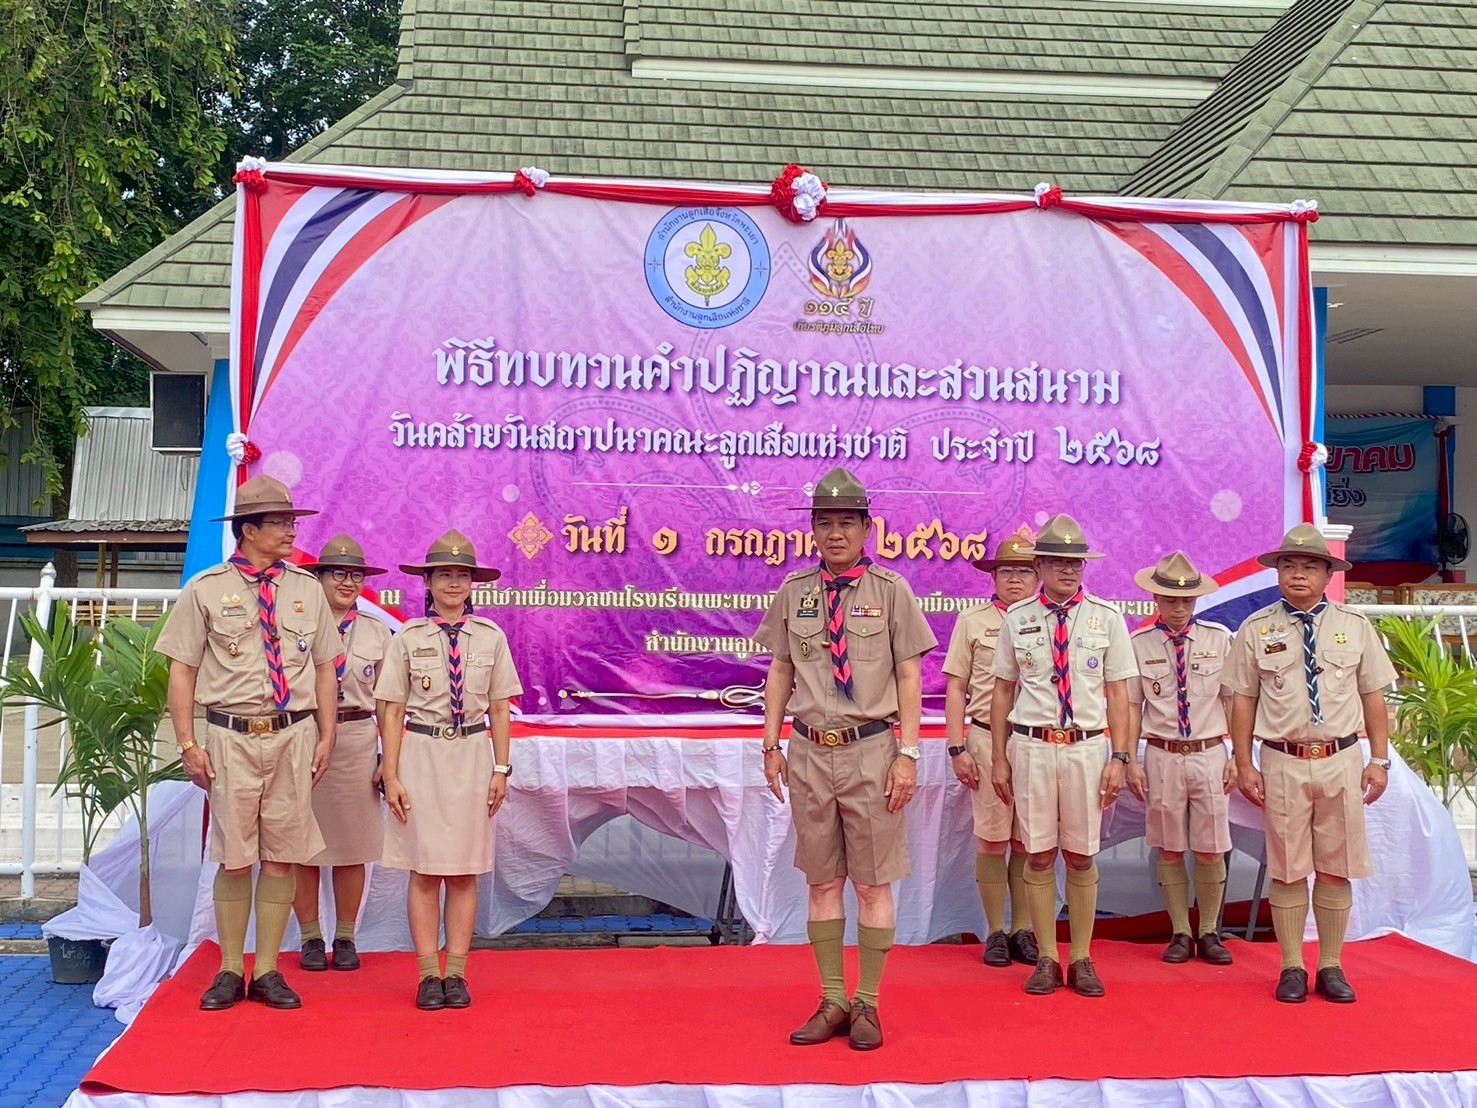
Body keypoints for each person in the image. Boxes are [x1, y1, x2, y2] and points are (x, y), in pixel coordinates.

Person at [754, 467, 937, 1051]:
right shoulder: (794, 591)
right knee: (822, 881)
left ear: (867, 529)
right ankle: (832, 999)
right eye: (825, 523)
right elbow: (780, 670)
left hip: (872, 752)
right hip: (810, 753)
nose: (836, 534)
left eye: (847, 523)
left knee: (873, 885)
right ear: (813, 530)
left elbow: (910, 676)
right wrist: (770, 744)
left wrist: (908, 753)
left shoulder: (891, 591)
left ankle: (868, 1004)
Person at [156, 475, 338, 1011]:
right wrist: (188, 743)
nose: (291, 531)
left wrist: (327, 734)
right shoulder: (206, 589)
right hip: (230, 736)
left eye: (291, 522)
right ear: (248, 530)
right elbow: (182, 670)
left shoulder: (307, 589)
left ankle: (268, 970)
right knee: (235, 858)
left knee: (282, 856)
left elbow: (325, 668)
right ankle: (230, 969)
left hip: (293, 735)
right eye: (279, 523)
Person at [1223, 524, 1396, 1004]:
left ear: (1327, 574)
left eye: (1309, 566)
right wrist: (1243, 762)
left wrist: (1379, 760)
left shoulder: (1354, 626)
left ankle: (1332, 964)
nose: (1298, 574)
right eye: (1289, 565)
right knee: (1287, 868)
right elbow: (1242, 700)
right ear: (1277, 573)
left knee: (1336, 867)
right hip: (1283, 761)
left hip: (1341, 759)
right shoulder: (1255, 629)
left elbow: (1373, 696)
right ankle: (1292, 966)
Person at [989, 513, 1135, 998]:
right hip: (1032, 745)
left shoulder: (1106, 618)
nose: (1068, 570)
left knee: (1080, 853)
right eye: (1057, 562)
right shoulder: (1018, 618)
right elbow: (1002, 691)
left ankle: (1082, 957)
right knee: (1037, 853)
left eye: (1075, 562)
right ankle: (1047, 957)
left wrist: (1120, 757)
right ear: (1039, 567)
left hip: (1086, 747)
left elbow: (1119, 694)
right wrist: (999, 758)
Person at [376, 530, 521, 1012]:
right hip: (421, 754)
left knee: (463, 872)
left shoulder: (491, 637)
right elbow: (392, 710)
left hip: (472, 756)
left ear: (472, 583)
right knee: (423, 871)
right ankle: (426, 975)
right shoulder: (408, 637)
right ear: (428, 582)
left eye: (461, 575)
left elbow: (499, 708)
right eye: (444, 575)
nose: (453, 583)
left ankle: (456, 972)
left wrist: (500, 769)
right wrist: (391, 774)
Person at [1125, 551, 1235, 966]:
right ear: (1156, 598)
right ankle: (1180, 932)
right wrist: (1129, 760)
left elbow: (1235, 700)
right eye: (1170, 599)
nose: (1178, 607)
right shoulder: (1138, 644)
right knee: (1169, 847)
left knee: (1210, 848)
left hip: (1209, 752)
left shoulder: (1219, 639)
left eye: (1186, 599)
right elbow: (1131, 707)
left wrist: (1238, 757)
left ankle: (1209, 930)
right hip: (1163, 754)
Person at [293, 535, 393, 972]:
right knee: (302, 846)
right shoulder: (297, 626)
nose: (348, 582)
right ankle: (310, 937)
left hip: (356, 740)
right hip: (304, 737)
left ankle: (346, 936)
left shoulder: (377, 631)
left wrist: (388, 759)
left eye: (355, 575)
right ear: (319, 578)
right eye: (338, 573)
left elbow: (390, 702)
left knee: (352, 845)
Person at [942, 524, 1040, 968]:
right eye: (1006, 571)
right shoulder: (973, 621)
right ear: (994, 577)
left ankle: (1023, 929)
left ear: (1038, 575)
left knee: (1028, 841)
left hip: (1035, 740)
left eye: (1024, 571)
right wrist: (956, 747)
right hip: (984, 738)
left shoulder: (1048, 621)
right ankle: (995, 931)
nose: (1015, 579)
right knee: (992, 839)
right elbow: (955, 687)